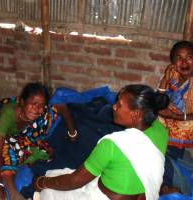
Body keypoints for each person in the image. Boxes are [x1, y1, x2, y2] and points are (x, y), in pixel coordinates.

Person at [33, 84, 169, 200]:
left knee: (48, 191)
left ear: (135, 114)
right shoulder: (161, 130)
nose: (114, 107)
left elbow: (74, 181)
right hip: (144, 195)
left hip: (103, 197)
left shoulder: (112, 144)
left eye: (119, 105)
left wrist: (41, 182)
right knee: (57, 175)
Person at [0, 82, 77, 200]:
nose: (37, 109)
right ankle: (12, 191)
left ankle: (18, 158)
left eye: (41, 105)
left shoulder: (43, 112)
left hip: (20, 138)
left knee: (45, 151)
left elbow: (62, 108)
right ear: (22, 102)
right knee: (6, 148)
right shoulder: (8, 114)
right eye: (33, 104)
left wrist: (72, 132)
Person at [157, 40, 193, 194]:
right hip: (168, 124)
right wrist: (165, 79)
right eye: (179, 58)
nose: (184, 62)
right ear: (173, 62)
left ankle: (167, 184)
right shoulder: (172, 76)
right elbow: (158, 102)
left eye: (189, 57)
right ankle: (163, 183)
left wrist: (176, 116)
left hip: (187, 128)